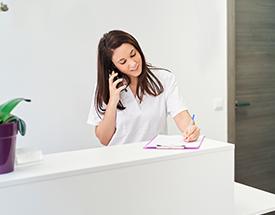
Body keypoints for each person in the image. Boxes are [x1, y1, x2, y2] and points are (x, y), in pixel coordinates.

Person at [87, 30, 200, 146]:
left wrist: (190, 130)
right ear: (113, 66)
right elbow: (104, 139)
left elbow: (181, 115)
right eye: (123, 62)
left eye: (133, 54)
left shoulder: (164, 78)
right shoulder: (105, 87)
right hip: (120, 159)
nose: (133, 63)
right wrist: (113, 100)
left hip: (154, 157)